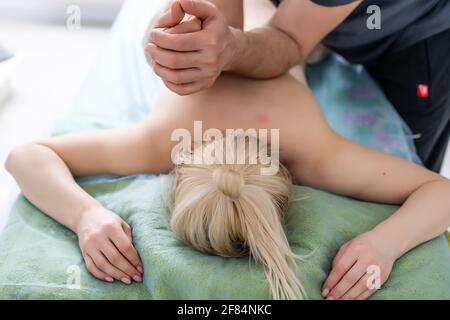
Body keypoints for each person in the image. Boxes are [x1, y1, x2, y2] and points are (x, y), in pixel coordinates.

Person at [6, 69, 450, 299]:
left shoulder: (311, 151)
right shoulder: (163, 143)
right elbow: (23, 156)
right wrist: (84, 215)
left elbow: (26, 155)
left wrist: (387, 244)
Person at [145, 0, 450, 173]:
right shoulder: (315, 152)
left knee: (416, 149)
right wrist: (207, 41)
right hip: (318, 16)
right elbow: (432, 192)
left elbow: (289, 38)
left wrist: (232, 47)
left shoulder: (152, 143)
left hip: (414, 35)